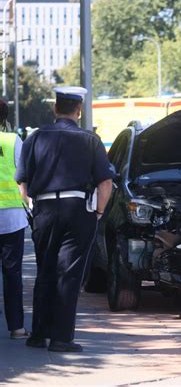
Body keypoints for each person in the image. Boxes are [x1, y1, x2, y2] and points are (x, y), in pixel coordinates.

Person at [15, 86, 113, 352]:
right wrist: (99, 213)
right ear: (78, 111)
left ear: (55, 109)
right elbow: (106, 184)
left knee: (44, 271)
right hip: (77, 210)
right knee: (68, 274)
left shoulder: (35, 138)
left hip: (44, 210)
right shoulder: (90, 140)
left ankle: (38, 334)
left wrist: (34, 206)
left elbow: (22, 182)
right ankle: (61, 339)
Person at [0, 99, 29, 339]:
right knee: (12, 273)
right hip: (11, 217)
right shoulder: (12, 141)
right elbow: (23, 177)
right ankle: (17, 327)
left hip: (11, 215)